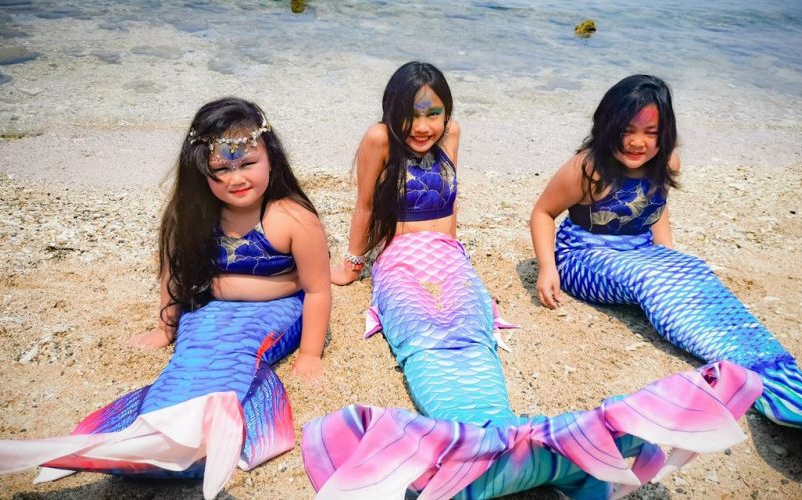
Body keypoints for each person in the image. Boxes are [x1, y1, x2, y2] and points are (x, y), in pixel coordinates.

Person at [302, 62, 761, 499]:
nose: (423, 126)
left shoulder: (452, 133)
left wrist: (456, 259)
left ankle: (498, 436)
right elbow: (365, 205)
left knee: (470, 328)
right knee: (423, 332)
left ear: (447, 112)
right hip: (398, 257)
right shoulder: (379, 138)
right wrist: (353, 265)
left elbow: (450, 204)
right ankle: (488, 439)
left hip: (448, 256)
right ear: (392, 111)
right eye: (411, 114)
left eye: (433, 113)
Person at [0, 97, 330, 499]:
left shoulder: (292, 217)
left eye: (247, 163)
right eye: (220, 169)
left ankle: (200, 434)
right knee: (194, 352)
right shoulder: (194, 214)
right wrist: (165, 327)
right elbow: (173, 274)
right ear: (199, 169)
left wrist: (311, 353)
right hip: (208, 309)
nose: (235, 178)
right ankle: (150, 429)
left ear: (271, 157)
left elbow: (316, 289)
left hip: (275, 313)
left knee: (236, 350)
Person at [529, 74, 802, 482]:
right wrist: (547, 267)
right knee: (648, 277)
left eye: (651, 132)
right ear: (606, 125)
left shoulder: (666, 162)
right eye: (627, 130)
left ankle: (777, 370)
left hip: (639, 250)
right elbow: (542, 213)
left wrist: (670, 256)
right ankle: (764, 383)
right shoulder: (587, 169)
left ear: (666, 134)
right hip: (583, 255)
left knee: (693, 270)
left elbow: (656, 207)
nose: (637, 142)